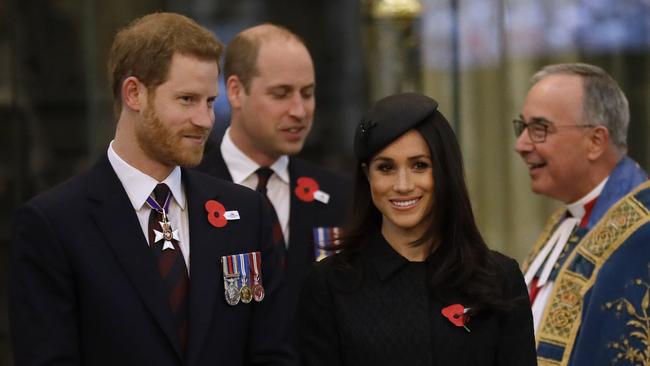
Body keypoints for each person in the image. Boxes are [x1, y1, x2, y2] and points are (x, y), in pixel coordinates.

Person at [9, 13, 294, 366]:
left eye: (209, 101)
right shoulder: (54, 225)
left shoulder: (249, 214)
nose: (205, 120)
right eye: (187, 100)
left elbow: (275, 352)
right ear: (134, 94)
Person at [299, 93, 536, 366]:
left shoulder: (499, 278)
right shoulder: (329, 284)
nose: (402, 184)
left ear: (444, 171)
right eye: (386, 167)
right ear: (367, 175)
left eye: (419, 166)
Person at [197, 23, 351, 342]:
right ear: (236, 91)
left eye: (307, 94)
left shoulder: (340, 197)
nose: (299, 111)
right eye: (281, 94)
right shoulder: (191, 191)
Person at [514, 63, 650, 365]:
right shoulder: (565, 220)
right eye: (522, 127)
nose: (520, 145)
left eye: (539, 129)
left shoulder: (641, 233)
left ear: (595, 142)